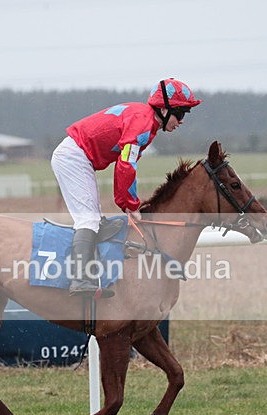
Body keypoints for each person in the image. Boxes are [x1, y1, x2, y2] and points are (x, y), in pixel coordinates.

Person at [51, 78, 202, 297]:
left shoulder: (146, 122)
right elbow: (125, 166)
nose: (181, 121)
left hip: (78, 156)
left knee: (95, 219)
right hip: (74, 157)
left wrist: (127, 204)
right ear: (164, 109)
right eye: (180, 113)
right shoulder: (142, 123)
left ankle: (91, 272)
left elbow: (126, 165)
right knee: (89, 220)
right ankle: (80, 279)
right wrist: (130, 205)